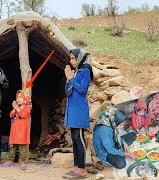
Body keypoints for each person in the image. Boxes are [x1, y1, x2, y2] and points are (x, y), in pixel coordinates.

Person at [63, 48, 93, 179]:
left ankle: (82, 169)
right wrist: (68, 78)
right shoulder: (75, 72)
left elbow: (82, 89)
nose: (71, 61)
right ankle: (76, 167)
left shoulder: (85, 70)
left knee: (79, 138)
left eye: (73, 58)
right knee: (74, 139)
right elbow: (67, 92)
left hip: (80, 110)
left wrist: (71, 78)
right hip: (73, 110)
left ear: (79, 58)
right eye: (70, 59)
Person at [2, 90, 32, 170]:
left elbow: (23, 114)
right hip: (15, 131)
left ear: (25, 99)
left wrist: (16, 108)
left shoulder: (27, 107)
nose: (18, 99)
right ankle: (10, 161)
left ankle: (23, 162)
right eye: (17, 97)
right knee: (12, 147)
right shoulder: (16, 108)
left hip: (22, 131)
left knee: (22, 147)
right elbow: (11, 115)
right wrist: (15, 109)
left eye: (21, 97)